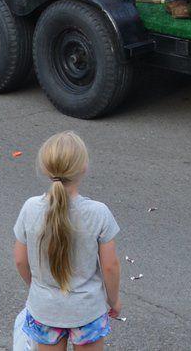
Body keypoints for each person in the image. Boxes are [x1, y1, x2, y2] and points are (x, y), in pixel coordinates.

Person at [13, 131, 120, 351]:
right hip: (87, 311)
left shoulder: (30, 208)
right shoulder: (98, 213)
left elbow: (20, 262)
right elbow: (110, 267)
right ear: (84, 168)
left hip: (44, 309)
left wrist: (37, 288)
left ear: (46, 168)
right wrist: (114, 300)